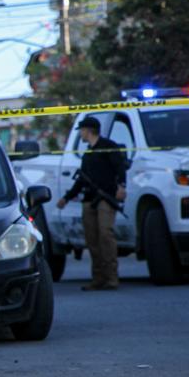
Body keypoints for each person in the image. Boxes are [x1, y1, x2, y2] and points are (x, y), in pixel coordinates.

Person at [56, 115, 128, 291]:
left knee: (105, 235)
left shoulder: (108, 147)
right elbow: (81, 179)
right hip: (89, 201)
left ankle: (111, 278)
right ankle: (98, 278)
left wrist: (121, 186)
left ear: (88, 130)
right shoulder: (88, 154)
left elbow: (120, 167)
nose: (81, 133)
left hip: (105, 198)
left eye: (82, 130)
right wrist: (66, 198)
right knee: (92, 241)